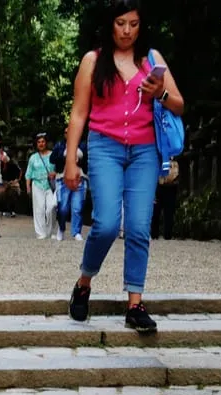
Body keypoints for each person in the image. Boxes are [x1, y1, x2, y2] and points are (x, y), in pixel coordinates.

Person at [63, 0, 184, 333]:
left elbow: (180, 104)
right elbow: (78, 114)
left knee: (138, 226)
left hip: (145, 150)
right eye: (120, 23)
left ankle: (135, 303)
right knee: (104, 224)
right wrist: (71, 160)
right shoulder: (94, 61)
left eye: (133, 24)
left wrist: (159, 93)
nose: (127, 31)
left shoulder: (152, 60)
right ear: (110, 24)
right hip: (105, 146)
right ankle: (84, 282)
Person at [51, 122, 87, 241]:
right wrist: (66, 157)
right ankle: (61, 228)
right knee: (63, 207)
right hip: (62, 177)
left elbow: (88, 160)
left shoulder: (82, 145)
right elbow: (52, 159)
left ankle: (76, 231)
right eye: (67, 132)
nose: (69, 133)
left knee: (77, 207)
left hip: (80, 178)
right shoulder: (60, 145)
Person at [25, 132, 56, 239]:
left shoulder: (53, 154)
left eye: (43, 141)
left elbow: (60, 169)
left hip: (50, 185)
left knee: (51, 207)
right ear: (36, 144)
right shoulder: (33, 157)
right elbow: (28, 174)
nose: (41, 144)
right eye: (39, 142)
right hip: (37, 184)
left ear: (46, 143)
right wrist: (28, 187)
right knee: (39, 209)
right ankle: (40, 233)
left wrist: (54, 174)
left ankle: (50, 231)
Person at [152, 158, 178, 240]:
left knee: (169, 211)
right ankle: (154, 233)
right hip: (160, 185)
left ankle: (168, 234)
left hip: (171, 186)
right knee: (156, 211)